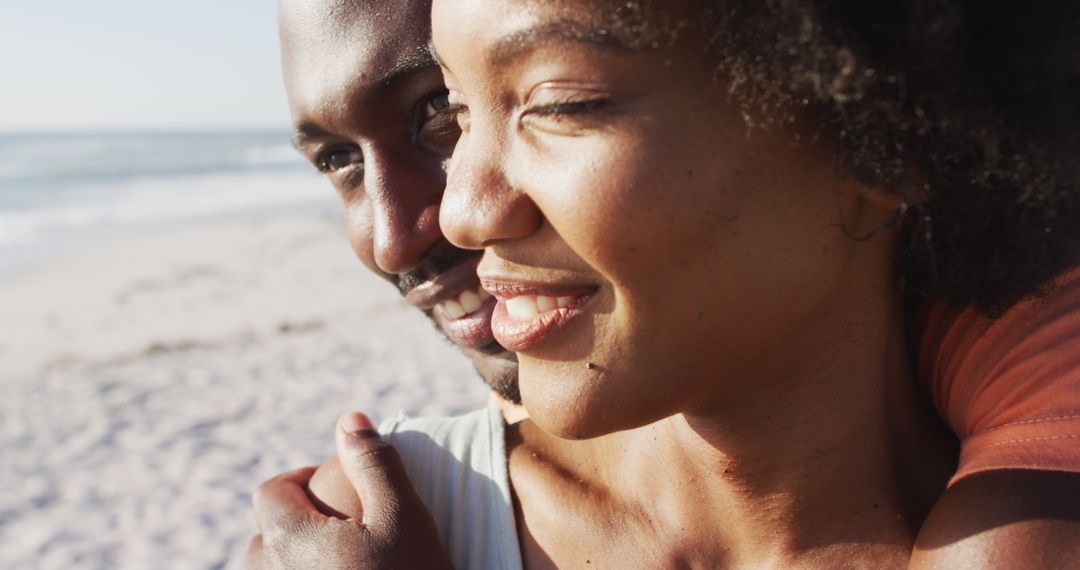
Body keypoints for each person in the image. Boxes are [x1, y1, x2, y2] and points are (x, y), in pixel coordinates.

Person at [250, 0, 1080, 567]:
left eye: (558, 103)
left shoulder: (1036, 487)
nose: (458, 215)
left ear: (885, 128)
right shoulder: (380, 521)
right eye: (461, 111)